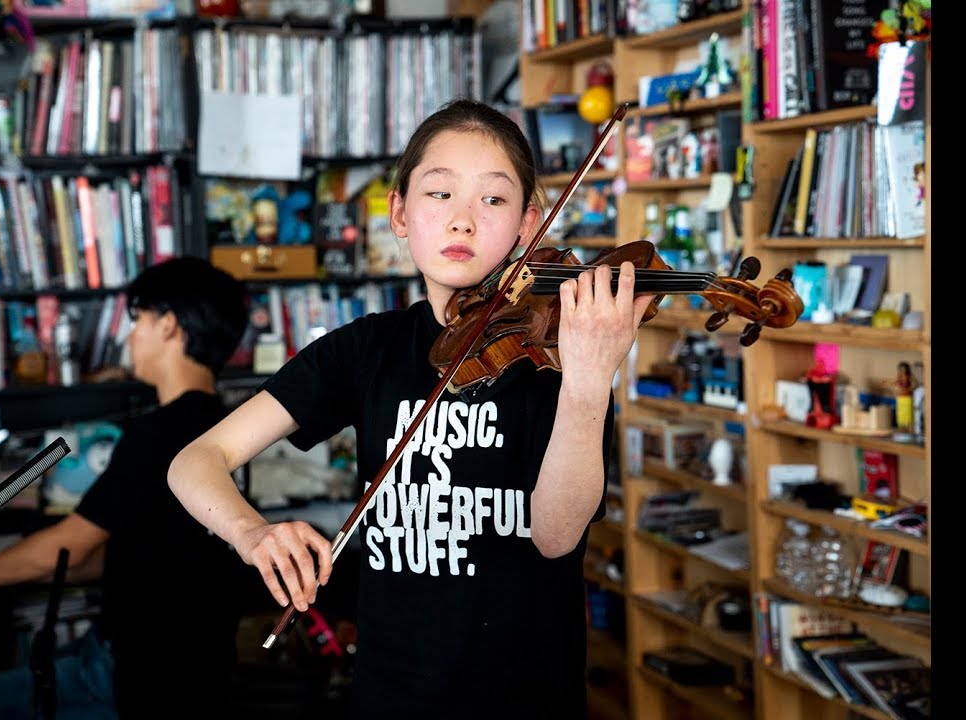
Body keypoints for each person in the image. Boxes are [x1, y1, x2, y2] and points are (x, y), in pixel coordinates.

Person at [167, 98, 654, 719]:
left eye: (495, 200)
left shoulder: (561, 356)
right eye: (440, 194)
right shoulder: (367, 349)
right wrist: (252, 532)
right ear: (400, 213)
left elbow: (557, 537)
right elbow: (195, 460)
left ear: (530, 225)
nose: (464, 222)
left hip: (526, 699)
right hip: (392, 693)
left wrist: (591, 377)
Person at [0, 257, 254, 719]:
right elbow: (131, 554)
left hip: (140, 673)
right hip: (192, 667)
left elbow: (68, 546)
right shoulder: (228, 428)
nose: (130, 336)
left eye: (138, 321)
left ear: (169, 326)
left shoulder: (158, 433)